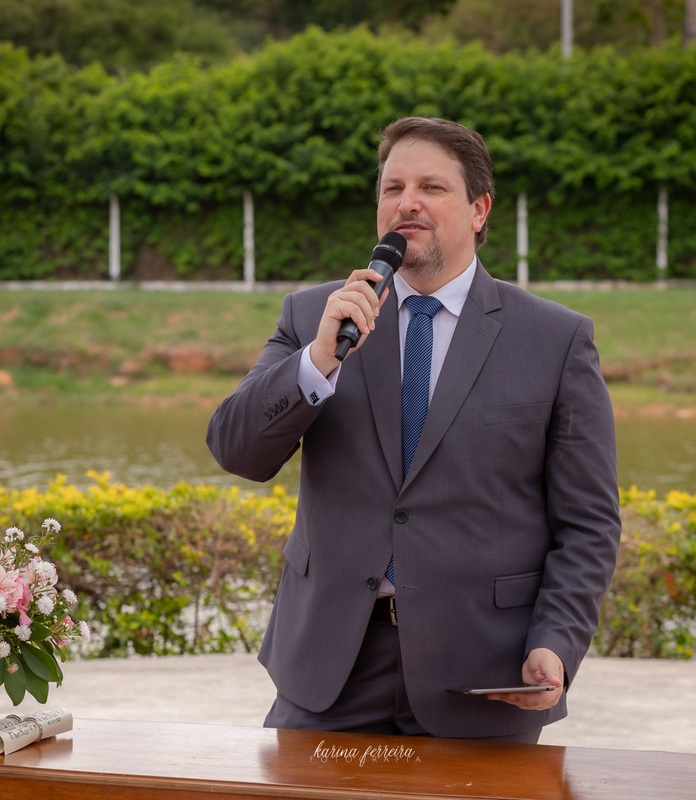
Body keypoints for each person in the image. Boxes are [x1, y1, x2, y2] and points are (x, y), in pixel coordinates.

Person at [206, 117, 620, 744]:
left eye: (432, 187)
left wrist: (556, 643)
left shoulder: (556, 340)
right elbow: (235, 448)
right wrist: (318, 363)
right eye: (392, 187)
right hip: (331, 668)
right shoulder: (318, 317)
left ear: (479, 209)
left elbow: (588, 522)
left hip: (483, 672)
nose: (407, 202)